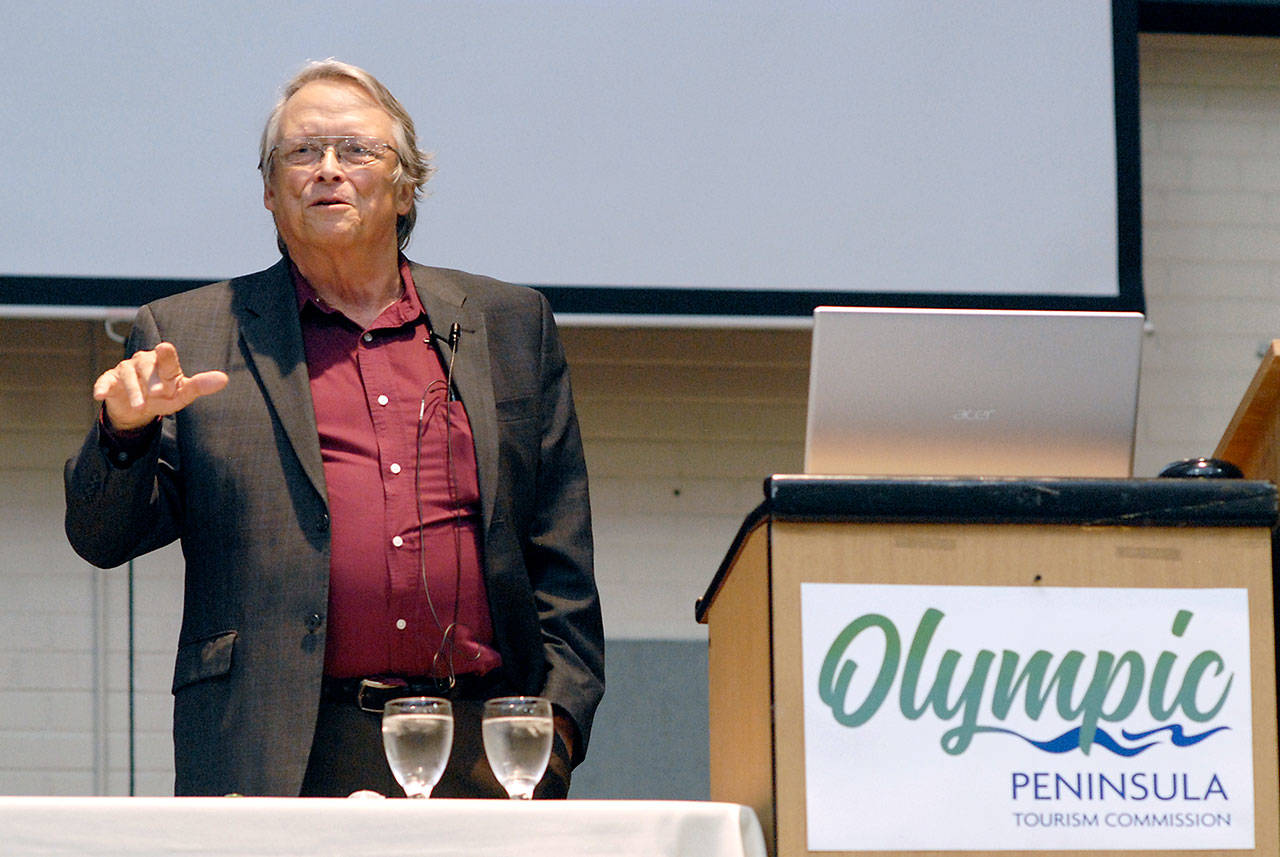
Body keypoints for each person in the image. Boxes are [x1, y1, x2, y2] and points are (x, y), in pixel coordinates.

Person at [64, 60, 603, 798]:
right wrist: (122, 433)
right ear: (267, 190)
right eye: (300, 152)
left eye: (355, 150)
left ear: (407, 182)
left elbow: (561, 564)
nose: (327, 170)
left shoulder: (508, 325)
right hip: (279, 750)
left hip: (483, 749)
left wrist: (558, 731)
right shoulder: (188, 334)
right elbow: (100, 536)